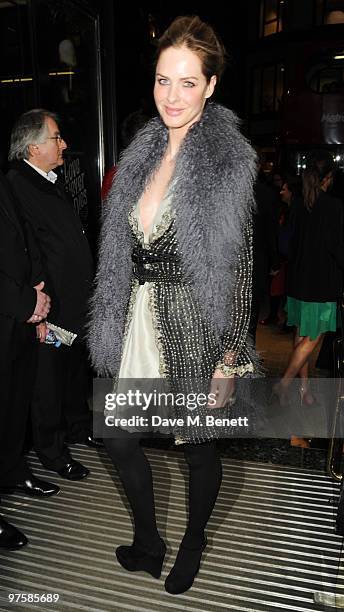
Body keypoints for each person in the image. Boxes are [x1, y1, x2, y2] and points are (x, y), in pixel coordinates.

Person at [88, 15, 258, 594]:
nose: (173, 95)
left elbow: (240, 268)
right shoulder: (141, 153)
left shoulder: (227, 163)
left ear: (210, 86)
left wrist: (229, 357)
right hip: (138, 316)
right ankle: (148, 540)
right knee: (117, 436)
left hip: (194, 323)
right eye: (164, 80)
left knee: (198, 445)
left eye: (188, 82)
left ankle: (193, 539)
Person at [7, 109, 98, 482]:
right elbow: (28, 251)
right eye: (56, 138)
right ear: (32, 147)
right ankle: (52, 451)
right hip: (50, 307)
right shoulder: (18, 185)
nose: (64, 144)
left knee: (74, 371)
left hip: (73, 303)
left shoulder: (48, 180)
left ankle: (78, 426)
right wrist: (40, 312)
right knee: (49, 381)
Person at [0, 170, 59, 550]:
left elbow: (26, 241)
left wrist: (38, 300)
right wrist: (26, 302)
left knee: (12, 405)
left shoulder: (5, 181)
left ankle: (11, 472)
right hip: (10, 307)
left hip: (17, 317)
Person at [274, 161, 344, 446]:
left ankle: (304, 389)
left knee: (301, 336)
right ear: (328, 178)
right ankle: (284, 384)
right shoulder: (334, 207)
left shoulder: (299, 206)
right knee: (312, 340)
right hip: (322, 285)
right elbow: (338, 248)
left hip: (299, 282)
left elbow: (288, 245)